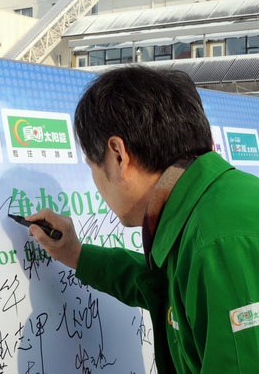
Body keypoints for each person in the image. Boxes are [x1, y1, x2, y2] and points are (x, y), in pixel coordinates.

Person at [26, 66, 259, 373]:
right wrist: (76, 255)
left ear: (118, 155)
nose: (95, 181)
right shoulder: (209, 205)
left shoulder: (217, 243)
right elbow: (164, 289)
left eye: (91, 166)